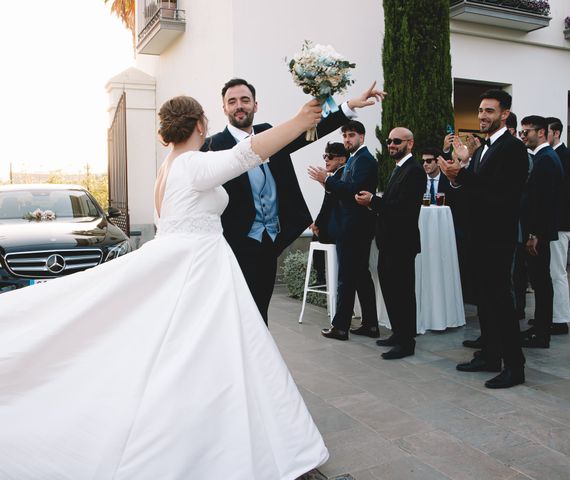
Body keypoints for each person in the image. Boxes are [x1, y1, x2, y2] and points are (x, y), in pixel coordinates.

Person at [0, 95, 331, 478]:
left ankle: (228, 435)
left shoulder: (168, 166)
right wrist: (298, 118)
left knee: (206, 357)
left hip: (189, 266)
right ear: (202, 125)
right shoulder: (192, 164)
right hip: (199, 271)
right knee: (205, 357)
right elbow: (249, 153)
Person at [202, 78, 385, 324]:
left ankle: (258, 357)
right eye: (232, 102)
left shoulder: (271, 133)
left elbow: (309, 131)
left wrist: (349, 106)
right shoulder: (213, 146)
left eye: (245, 100)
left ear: (256, 105)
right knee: (238, 315)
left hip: (269, 242)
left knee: (260, 313)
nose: (239, 106)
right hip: (236, 244)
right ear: (224, 108)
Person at [439, 89, 529, 388]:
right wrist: (455, 178)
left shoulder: (513, 149)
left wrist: (461, 176)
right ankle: (490, 355)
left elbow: (501, 194)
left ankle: (515, 366)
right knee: (486, 301)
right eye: (480, 110)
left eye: (489, 111)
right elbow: (476, 193)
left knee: (501, 301)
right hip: (478, 235)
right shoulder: (482, 149)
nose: (482, 116)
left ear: (504, 114)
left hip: (498, 238)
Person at [355, 127, 426, 359]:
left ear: (410, 143)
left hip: (402, 243)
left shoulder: (414, 171)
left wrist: (373, 202)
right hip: (388, 241)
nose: (391, 145)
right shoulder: (398, 169)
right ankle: (398, 333)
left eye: (397, 141)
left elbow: (404, 209)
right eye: (389, 141)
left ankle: (407, 342)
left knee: (403, 293)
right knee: (390, 291)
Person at [309, 121, 379, 341]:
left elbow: (353, 191)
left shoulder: (364, 159)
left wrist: (327, 180)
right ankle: (370, 324)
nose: (347, 139)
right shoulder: (356, 159)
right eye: (345, 135)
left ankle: (340, 327)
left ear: (362, 136)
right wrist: (328, 183)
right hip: (351, 227)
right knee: (359, 277)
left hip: (354, 228)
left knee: (347, 278)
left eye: (351, 135)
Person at [519, 115, 564, 348]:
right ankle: (539, 328)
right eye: (522, 132)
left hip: (539, 234)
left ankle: (542, 334)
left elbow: (544, 202)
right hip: (539, 232)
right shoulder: (543, 157)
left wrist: (534, 235)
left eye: (528, 132)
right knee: (539, 282)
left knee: (541, 283)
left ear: (543, 133)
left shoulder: (546, 159)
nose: (524, 135)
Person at [545, 116, 570, 335]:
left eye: (545, 131)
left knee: (557, 271)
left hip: (559, 223)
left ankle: (560, 320)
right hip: (549, 223)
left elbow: (568, 193)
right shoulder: (547, 155)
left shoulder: (569, 157)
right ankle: (548, 315)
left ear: (556, 133)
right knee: (547, 272)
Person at [309, 142, 348, 286]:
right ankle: (320, 276)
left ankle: (320, 276)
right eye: (324, 156)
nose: (326, 159)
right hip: (340, 227)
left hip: (339, 231)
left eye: (330, 156)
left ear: (342, 160)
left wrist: (317, 224)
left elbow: (328, 204)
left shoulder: (339, 175)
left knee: (315, 234)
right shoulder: (339, 174)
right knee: (315, 233)